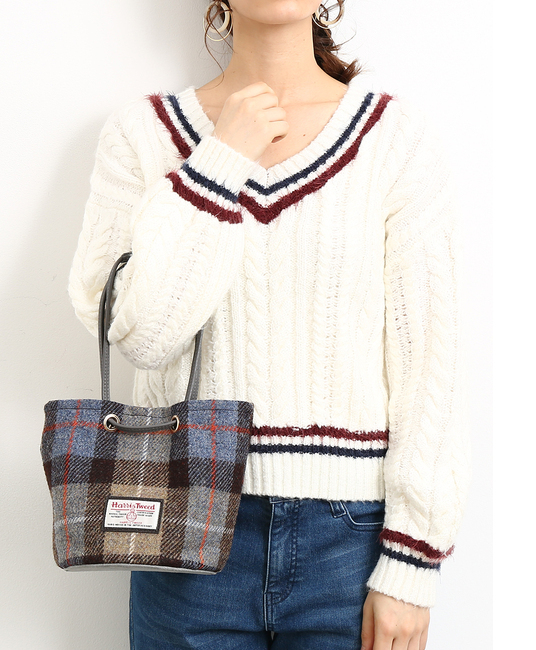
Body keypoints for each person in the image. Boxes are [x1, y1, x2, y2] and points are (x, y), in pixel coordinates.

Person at [68, 1, 470, 648]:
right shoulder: (141, 134)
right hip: (183, 528)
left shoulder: (396, 138)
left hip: (353, 544)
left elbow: (430, 363)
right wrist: (221, 158)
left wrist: (412, 561)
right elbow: (144, 337)